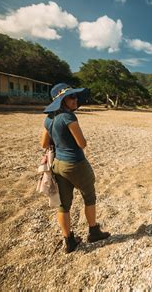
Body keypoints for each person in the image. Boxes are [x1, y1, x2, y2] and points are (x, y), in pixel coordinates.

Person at [40, 83, 110, 253]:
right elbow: (82, 143)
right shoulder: (69, 117)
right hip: (76, 164)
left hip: (58, 165)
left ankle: (69, 241)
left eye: (76, 96)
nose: (76, 99)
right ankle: (93, 231)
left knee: (63, 205)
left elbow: (43, 144)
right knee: (89, 196)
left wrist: (59, 141)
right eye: (72, 96)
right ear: (62, 99)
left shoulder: (48, 118)